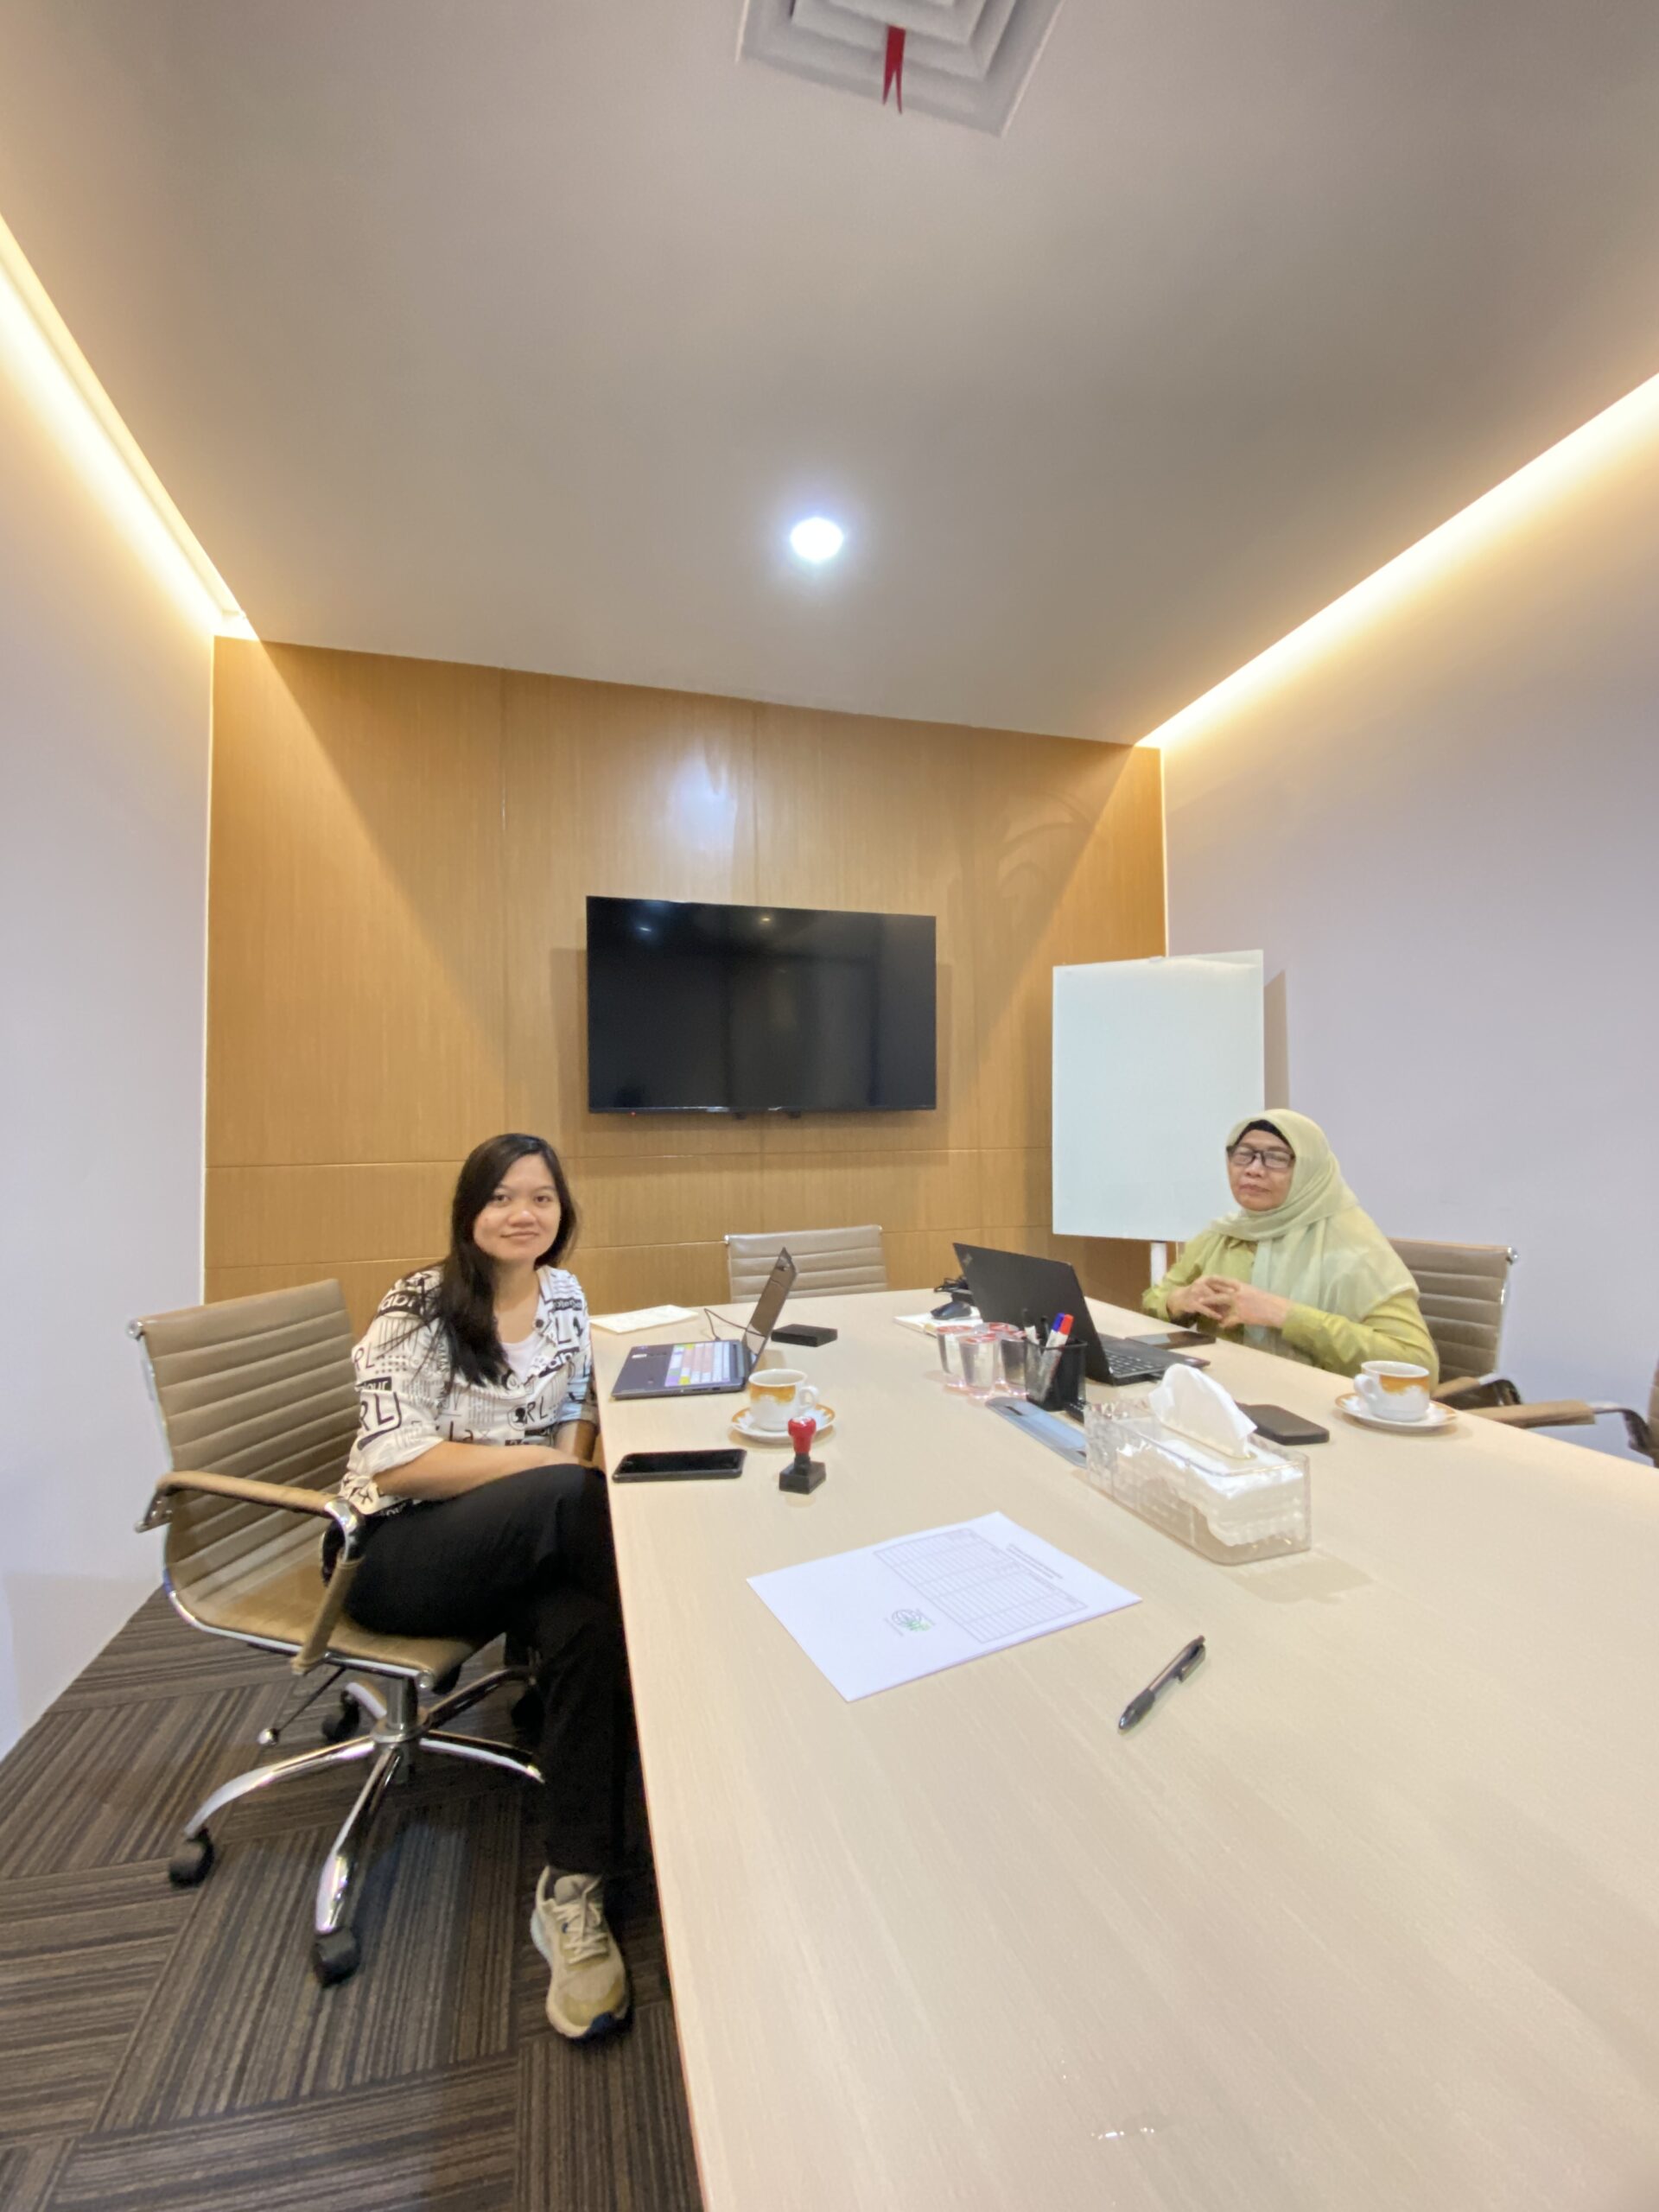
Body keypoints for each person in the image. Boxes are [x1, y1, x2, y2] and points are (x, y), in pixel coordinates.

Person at [339, 1131, 631, 2040]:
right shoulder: (419, 1304)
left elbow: (574, 1410)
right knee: (579, 1498)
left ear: (561, 1211)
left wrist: (554, 1471)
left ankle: (575, 1880)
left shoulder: (565, 1295)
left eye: (540, 1197)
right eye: (502, 1197)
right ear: (470, 1211)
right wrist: (542, 1472)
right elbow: (398, 1464)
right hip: (395, 1554)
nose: (522, 1214)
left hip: (519, 1538)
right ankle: (678, 1714)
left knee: (590, 1627)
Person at [1144, 1110, 1438, 1382]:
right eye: (1243, 1155)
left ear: (1309, 1170)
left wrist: (1286, 1315)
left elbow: (1418, 1365)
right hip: (1224, 1394)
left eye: (1276, 1158)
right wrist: (1177, 1301)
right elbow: (1150, 1305)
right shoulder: (1223, 1235)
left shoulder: (1353, 1248)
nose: (1254, 1169)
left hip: (1318, 1406)